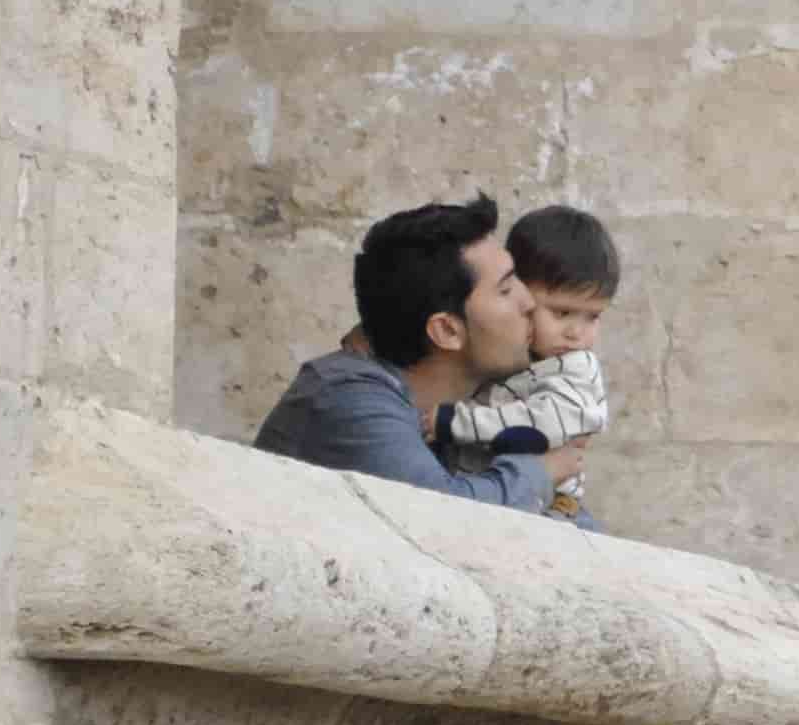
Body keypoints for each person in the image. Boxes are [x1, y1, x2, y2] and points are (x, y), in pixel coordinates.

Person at [253, 194, 592, 516]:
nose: (529, 302)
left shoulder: (482, 398)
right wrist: (542, 472)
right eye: (505, 290)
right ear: (446, 331)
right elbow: (445, 516)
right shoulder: (349, 398)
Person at [428, 202, 619, 523]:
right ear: (520, 294)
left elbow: (537, 426)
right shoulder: (508, 355)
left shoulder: (576, 370)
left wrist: (452, 423)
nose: (576, 333)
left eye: (593, 317)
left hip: (548, 508)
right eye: (561, 313)